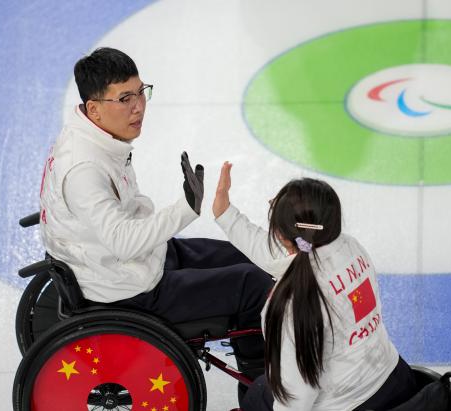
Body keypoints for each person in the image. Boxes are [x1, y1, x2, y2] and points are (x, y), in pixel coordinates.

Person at [38, 47, 273, 400]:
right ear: (94, 109)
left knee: (251, 256)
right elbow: (123, 243)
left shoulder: (94, 136)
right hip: (128, 288)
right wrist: (185, 207)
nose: (138, 107)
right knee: (255, 286)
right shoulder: (84, 169)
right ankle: (262, 396)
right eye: (125, 98)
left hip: (139, 260)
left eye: (140, 92)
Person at [213, 162, 418, 411]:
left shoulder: (292, 303)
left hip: (348, 404)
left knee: (257, 394)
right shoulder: (350, 247)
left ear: (281, 236)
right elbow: (280, 255)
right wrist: (226, 214)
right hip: (395, 378)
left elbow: (297, 400)